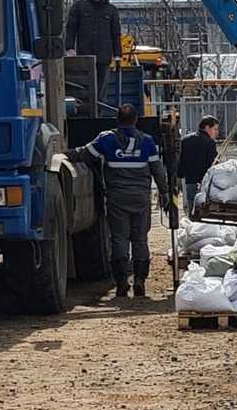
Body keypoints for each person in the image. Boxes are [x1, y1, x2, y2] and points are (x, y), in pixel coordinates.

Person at [68, 103, 170, 297]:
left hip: (117, 198)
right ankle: (140, 280)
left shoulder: (106, 139)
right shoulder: (147, 141)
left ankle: (122, 282)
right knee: (140, 238)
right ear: (136, 120)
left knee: (119, 238)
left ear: (117, 120)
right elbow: (157, 169)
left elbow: (83, 154)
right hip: (141, 198)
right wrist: (164, 192)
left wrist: (62, 154)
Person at [64, 0, 122, 105]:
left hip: (103, 58)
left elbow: (115, 34)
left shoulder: (111, 10)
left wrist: (117, 55)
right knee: (83, 92)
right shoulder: (79, 7)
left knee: (100, 95)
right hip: (84, 56)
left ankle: (99, 116)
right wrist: (69, 48)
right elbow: (71, 28)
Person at [178, 115, 220, 215]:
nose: (217, 132)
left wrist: (180, 174)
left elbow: (181, 159)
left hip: (190, 179)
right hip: (205, 181)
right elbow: (212, 163)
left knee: (191, 205)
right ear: (207, 128)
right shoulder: (210, 143)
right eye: (215, 129)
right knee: (204, 206)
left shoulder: (185, 140)